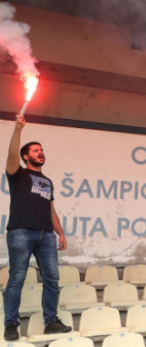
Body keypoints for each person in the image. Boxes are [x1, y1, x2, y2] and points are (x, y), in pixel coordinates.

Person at [5, 114, 72, 340]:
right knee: (17, 279)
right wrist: (18, 130)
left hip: (47, 236)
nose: (40, 152)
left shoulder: (48, 181)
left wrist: (60, 233)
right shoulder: (18, 174)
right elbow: (12, 154)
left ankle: (51, 321)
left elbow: (51, 210)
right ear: (26, 156)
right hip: (21, 233)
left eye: (41, 149)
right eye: (35, 150)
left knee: (52, 278)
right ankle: (11, 324)